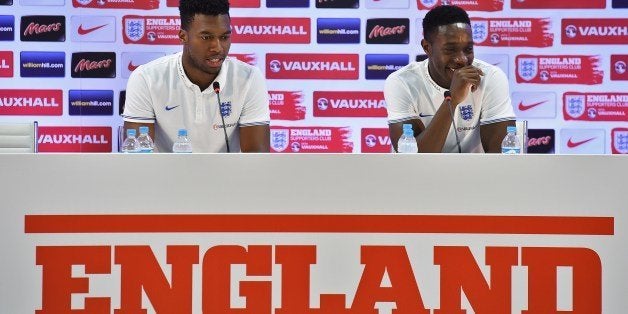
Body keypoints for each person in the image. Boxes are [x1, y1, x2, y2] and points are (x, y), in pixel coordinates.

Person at [122, 0, 270, 152]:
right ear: (182, 36)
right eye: (206, 37)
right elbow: (137, 157)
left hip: (228, 176)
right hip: (165, 175)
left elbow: (256, 159)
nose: (218, 48)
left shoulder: (249, 78)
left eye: (224, 37)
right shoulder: (146, 78)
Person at [384, 5, 515, 153]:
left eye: (468, 49)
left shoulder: (491, 77)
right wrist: (452, 100)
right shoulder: (401, 82)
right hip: (421, 175)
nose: (462, 59)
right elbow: (412, 159)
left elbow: (502, 156)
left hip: (476, 174)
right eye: (450, 50)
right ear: (427, 47)